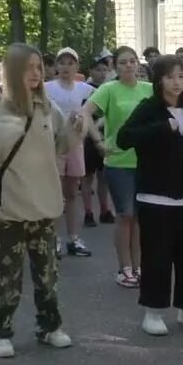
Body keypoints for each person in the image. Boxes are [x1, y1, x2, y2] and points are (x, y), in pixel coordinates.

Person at [0, 44, 81, 358]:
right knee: (5, 275)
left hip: (44, 204)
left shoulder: (46, 106)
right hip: (8, 207)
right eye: (29, 68)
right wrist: (2, 134)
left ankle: (50, 326)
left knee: (47, 273)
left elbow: (60, 144)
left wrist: (77, 129)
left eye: (40, 67)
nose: (37, 74)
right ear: (12, 71)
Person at [116, 55, 183, 335]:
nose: (177, 82)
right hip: (155, 196)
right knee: (157, 256)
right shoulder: (149, 108)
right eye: (170, 77)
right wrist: (161, 128)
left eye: (180, 77)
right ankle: (153, 311)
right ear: (159, 80)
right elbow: (125, 138)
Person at [80, 46, 152, 288]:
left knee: (140, 217)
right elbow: (86, 113)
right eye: (123, 62)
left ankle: (140, 266)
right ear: (115, 66)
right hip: (119, 161)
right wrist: (98, 141)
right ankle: (124, 268)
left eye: (133, 61)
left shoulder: (149, 89)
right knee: (126, 214)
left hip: (145, 162)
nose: (129, 66)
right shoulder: (109, 89)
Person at [44, 47, 95, 258]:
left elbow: (96, 110)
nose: (66, 67)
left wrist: (86, 123)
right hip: (54, 144)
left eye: (70, 63)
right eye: (62, 63)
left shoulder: (84, 89)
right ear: (56, 66)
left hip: (75, 143)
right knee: (56, 194)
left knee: (72, 192)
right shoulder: (47, 87)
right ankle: (53, 239)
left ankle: (73, 238)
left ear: (77, 66)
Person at [81, 59, 115, 226]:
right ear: (90, 71)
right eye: (98, 70)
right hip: (88, 139)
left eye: (104, 69)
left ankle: (105, 210)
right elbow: (83, 114)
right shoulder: (86, 90)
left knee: (103, 177)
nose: (102, 73)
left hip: (105, 136)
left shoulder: (110, 90)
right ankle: (88, 212)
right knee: (88, 177)